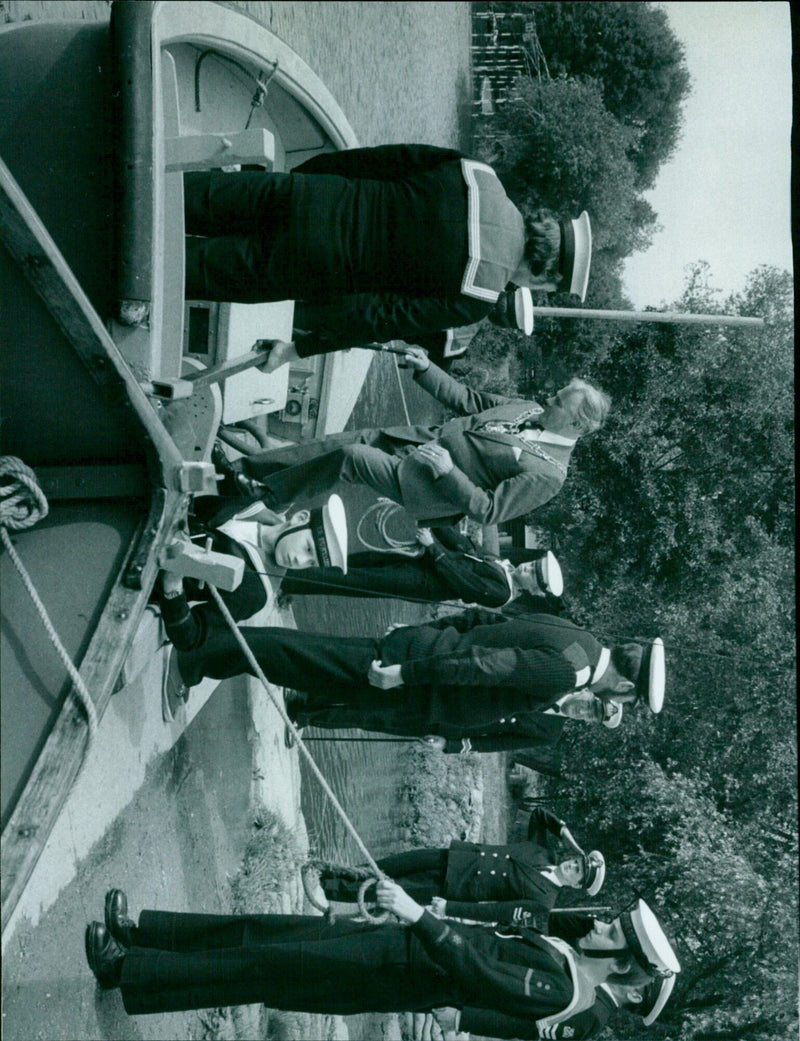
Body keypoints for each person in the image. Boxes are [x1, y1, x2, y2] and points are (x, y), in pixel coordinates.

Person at [84, 886, 678, 1039]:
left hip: (386, 969)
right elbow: (550, 919)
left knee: (258, 967)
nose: (599, 923)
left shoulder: (560, 993)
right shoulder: (569, 957)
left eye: (612, 929)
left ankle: (126, 971)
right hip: (393, 947)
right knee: (265, 932)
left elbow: (474, 971)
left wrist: (419, 916)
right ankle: (144, 933)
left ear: (621, 960)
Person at [158, 582, 665, 744]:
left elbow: (486, 624)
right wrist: (405, 673)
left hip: (422, 659)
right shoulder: (567, 673)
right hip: (413, 679)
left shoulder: (579, 637)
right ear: (623, 689)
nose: (617, 703)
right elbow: (483, 665)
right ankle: (200, 646)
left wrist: (425, 639)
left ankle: (208, 650)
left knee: (302, 660)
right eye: (625, 700)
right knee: (301, 657)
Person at [184, 142, 592, 338]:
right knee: (187, 267)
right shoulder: (476, 297)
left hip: (315, 193)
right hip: (314, 261)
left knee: (187, 193)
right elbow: (377, 316)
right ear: (542, 278)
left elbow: (380, 159)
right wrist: (303, 323)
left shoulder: (478, 173)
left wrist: (307, 178)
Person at [222, 348, 611, 528]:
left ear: (576, 424)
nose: (549, 399)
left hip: (427, 484)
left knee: (352, 458)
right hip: (415, 438)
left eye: (559, 402)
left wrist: (447, 471)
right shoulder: (527, 406)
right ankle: (236, 476)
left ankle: (269, 495)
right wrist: (427, 369)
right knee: (325, 448)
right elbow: (469, 399)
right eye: (556, 395)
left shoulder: (550, 474)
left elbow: (488, 511)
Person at [159, 493, 348, 720]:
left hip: (149, 574)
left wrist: (172, 585)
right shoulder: (246, 505)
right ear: (300, 518)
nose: (300, 561)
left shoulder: (255, 590)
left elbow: (190, 637)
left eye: (311, 563)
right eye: (307, 548)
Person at [320, 805, 606, 923]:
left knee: (387, 891)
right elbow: (541, 815)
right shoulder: (546, 851)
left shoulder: (544, 901)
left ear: (578, 884)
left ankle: (326, 888)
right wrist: (570, 837)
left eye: (578, 871)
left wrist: (450, 908)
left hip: (453, 886)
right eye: (576, 861)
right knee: (390, 865)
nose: (572, 865)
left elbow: (498, 912)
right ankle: (327, 870)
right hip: (454, 857)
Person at [281, 524, 564, 610]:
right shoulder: (500, 562)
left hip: (422, 582)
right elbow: (465, 548)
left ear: (535, 592)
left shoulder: (501, 592)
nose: (526, 569)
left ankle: (290, 580)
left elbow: (461, 579)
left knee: (358, 581)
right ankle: (300, 572)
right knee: (360, 561)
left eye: (532, 576)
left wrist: (433, 548)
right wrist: (436, 527)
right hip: (421, 561)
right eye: (532, 565)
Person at [269, 284, 536, 373]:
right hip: (363, 324)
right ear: (502, 326)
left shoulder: (463, 284)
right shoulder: (460, 345)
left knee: (278, 297)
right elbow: (425, 364)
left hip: (360, 286)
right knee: (287, 319)